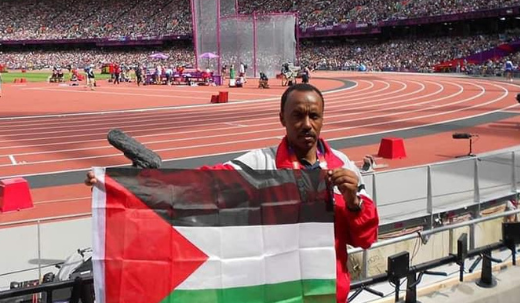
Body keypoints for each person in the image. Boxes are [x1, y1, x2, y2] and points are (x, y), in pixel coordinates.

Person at [84, 83, 379, 303]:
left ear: (323, 118)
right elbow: (206, 185)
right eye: (297, 115)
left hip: (325, 296)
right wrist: (128, 183)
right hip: (275, 295)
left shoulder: (344, 167)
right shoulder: (261, 164)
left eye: (314, 116)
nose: (306, 124)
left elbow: (365, 239)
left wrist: (353, 203)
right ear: (282, 118)